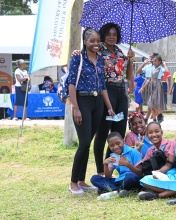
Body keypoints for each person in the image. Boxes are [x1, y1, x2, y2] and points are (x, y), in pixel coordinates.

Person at [67, 28, 114, 194]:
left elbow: (102, 86)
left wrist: (109, 107)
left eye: (97, 40)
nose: (96, 43)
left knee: (88, 142)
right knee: (84, 142)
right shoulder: (77, 58)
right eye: (92, 41)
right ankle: (73, 182)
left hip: (98, 103)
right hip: (82, 101)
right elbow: (71, 84)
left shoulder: (100, 60)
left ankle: (81, 180)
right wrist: (75, 107)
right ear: (85, 41)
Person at [92, 23, 135, 176]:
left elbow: (128, 76)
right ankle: (100, 170)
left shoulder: (119, 51)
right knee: (103, 132)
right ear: (103, 35)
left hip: (121, 94)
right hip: (106, 93)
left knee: (118, 133)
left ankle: (110, 168)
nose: (112, 37)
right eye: (109, 34)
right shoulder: (98, 51)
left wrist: (130, 61)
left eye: (115, 34)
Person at [90, 132, 143, 197]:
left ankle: (109, 189)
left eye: (118, 143)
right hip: (119, 181)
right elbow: (108, 176)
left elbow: (140, 174)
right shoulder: (113, 156)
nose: (115, 147)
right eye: (111, 145)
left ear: (123, 141)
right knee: (94, 178)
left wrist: (128, 164)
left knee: (130, 176)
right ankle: (118, 190)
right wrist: (105, 165)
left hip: (132, 179)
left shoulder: (133, 152)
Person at [139, 55, 169, 123]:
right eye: (153, 61)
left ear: (159, 62)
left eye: (155, 61)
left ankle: (159, 115)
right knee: (151, 104)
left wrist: (164, 65)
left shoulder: (160, 68)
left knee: (152, 103)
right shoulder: (153, 69)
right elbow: (149, 79)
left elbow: (167, 71)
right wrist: (143, 88)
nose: (154, 62)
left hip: (157, 86)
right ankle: (157, 117)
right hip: (151, 86)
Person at [136, 53, 159, 124]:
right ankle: (152, 118)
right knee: (148, 102)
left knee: (151, 102)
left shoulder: (158, 67)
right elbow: (138, 71)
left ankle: (148, 118)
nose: (151, 59)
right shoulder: (148, 66)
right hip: (146, 83)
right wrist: (144, 63)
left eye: (152, 58)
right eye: (150, 58)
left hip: (154, 84)